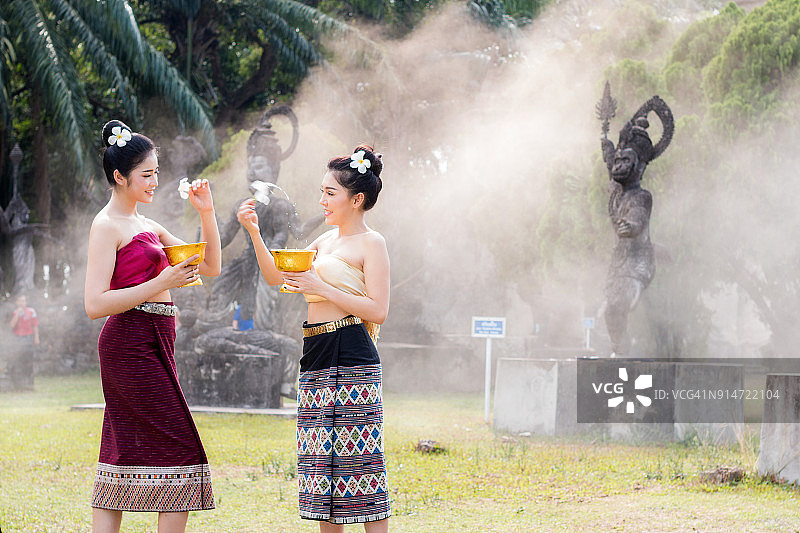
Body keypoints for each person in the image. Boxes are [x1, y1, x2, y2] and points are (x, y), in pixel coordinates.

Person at [238, 145, 391, 531]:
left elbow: (377, 309)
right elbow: (277, 276)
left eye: (329, 193)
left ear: (356, 199)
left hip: (353, 350)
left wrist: (320, 285)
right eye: (321, 191)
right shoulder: (323, 242)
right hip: (316, 350)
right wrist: (254, 233)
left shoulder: (372, 243)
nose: (321, 200)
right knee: (320, 464)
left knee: (361, 462)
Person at [83, 120, 221, 533]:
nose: (155, 181)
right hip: (128, 342)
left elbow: (209, 265)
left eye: (157, 172)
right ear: (119, 177)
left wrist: (207, 213)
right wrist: (161, 283)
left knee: (121, 445)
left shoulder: (148, 225)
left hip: (159, 339)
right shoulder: (106, 226)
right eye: (147, 174)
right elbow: (95, 304)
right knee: (179, 444)